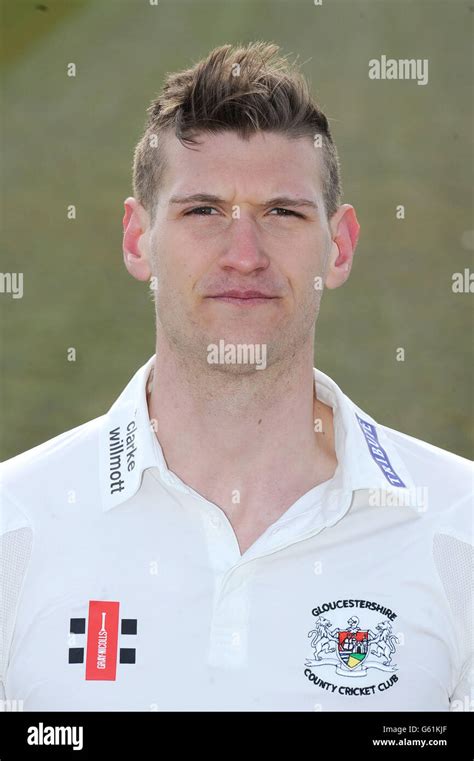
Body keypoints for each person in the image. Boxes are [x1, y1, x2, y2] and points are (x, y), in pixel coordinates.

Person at [1, 42, 472, 712]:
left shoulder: (460, 526)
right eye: (203, 211)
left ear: (338, 246)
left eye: (282, 212)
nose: (244, 256)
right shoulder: (13, 524)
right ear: (139, 241)